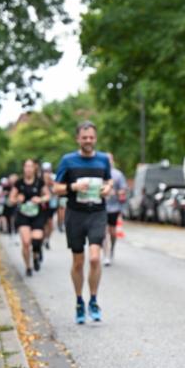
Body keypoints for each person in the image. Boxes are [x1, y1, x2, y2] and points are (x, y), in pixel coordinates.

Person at [53, 121, 113, 324]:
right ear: (78, 139)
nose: (88, 141)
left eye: (91, 137)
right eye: (84, 137)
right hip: (75, 214)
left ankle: (94, 300)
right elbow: (56, 188)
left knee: (95, 258)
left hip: (97, 212)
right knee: (78, 261)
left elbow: (109, 181)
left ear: (95, 138)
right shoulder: (68, 161)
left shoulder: (103, 159)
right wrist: (74, 186)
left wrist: (107, 189)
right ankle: (79, 300)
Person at [9, 158, 50, 277]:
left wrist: (40, 199)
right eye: (26, 166)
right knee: (26, 242)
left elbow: (48, 195)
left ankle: (36, 255)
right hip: (23, 215)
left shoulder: (39, 182)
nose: (28, 169)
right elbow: (10, 200)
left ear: (34, 168)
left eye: (30, 166)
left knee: (36, 240)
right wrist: (17, 199)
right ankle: (28, 266)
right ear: (23, 168)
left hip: (37, 214)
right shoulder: (19, 183)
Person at [103, 153, 128, 266]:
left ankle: (112, 248)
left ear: (113, 161)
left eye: (110, 159)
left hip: (114, 207)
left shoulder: (118, 175)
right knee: (104, 231)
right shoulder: (99, 173)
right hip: (101, 207)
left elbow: (123, 190)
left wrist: (115, 192)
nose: (108, 161)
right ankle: (106, 255)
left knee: (112, 231)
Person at [41, 161, 58, 250]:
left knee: (50, 224)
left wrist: (51, 184)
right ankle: (42, 239)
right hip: (42, 205)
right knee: (43, 224)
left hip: (51, 204)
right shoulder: (39, 179)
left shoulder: (54, 177)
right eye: (45, 170)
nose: (46, 172)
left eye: (48, 170)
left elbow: (57, 190)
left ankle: (47, 239)